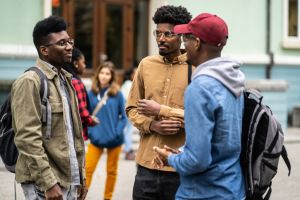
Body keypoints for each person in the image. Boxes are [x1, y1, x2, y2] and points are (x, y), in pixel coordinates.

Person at [153, 13, 246, 199]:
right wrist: (181, 151)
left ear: (196, 42)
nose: (183, 44)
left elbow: (197, 161)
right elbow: (221, 141)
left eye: (185, 39)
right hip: (232, 189)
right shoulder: (232, 80)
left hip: (203, 192)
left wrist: (169, 158)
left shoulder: (200, 88)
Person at [11, 16, 87, 200]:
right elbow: (27, 137)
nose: (69, 47)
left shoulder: (66, 80)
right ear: (44, 50)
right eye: (62, 43)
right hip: (45, 184)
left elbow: (74, 136)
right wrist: (48, 183)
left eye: (69, 41)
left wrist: (81, 178)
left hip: (69, 180)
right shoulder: (30, 81)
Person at [125, 5, 192, 200]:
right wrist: (153, 125)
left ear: (181, 35)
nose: (161, 39)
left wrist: (171, 116)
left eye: (168, 34)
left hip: (180, 167)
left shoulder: (195, 67)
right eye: (158, 33)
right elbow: (131, 108)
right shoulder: (146, 64)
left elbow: (203, 118)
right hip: (147, 167)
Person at [85, 62, 127, 200]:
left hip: (114, 139)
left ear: (111, 76)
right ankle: (81, 196)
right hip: (96, 138)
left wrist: (117, 131)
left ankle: (107, 198)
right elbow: (86, 115)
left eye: (107, 74)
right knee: (88, 169)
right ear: (98, 75)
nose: (104, 76)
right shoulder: (91, 93)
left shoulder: (117, 94)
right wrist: (91, 132)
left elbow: (123, 117)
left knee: (112, 171)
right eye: (102, 73)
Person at [64, 47, 99, 140]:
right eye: (83, 62)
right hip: (77, 134)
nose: (84, 66)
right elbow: (81, 110)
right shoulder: (76, 83)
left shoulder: (64, 79)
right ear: (75, 63)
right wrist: (91, 121)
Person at [120, 67, 137, 160]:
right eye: (135, 73)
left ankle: (128, 149)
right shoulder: (128, 84)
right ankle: (128, 150)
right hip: (127, 110)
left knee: (128, 130)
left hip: (126, 110)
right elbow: (128, 99)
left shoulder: (127, 84)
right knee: (128, 130)